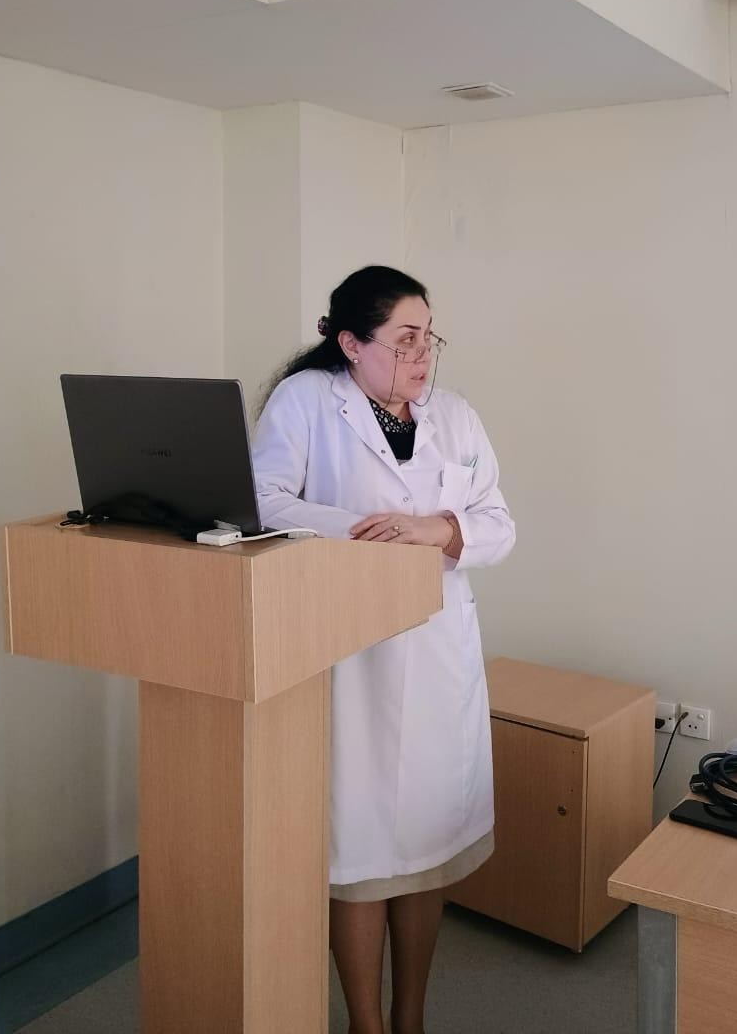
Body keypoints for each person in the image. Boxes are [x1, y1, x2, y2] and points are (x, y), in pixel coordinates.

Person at [250, 265, 515, 1034]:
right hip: (349, 649)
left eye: (428, 337)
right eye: (404, 340)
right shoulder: (307, 400)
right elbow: (264, 500)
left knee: (426, 846)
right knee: (361, 854)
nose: (422, 354)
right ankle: (366, 1024)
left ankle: (410, 1018)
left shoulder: (455, 416)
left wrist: (439, 529)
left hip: (436, 646)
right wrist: (368, 532)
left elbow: (497, 522)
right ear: (351, 344)